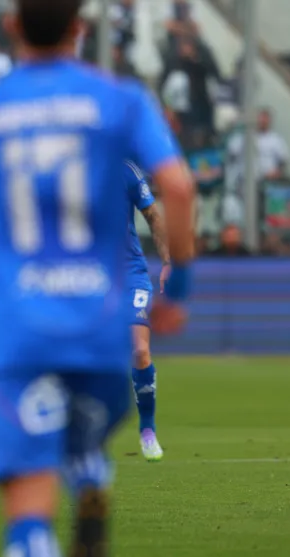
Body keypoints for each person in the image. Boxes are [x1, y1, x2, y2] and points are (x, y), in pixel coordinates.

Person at [0, 0, 196, 557]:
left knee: (27, 497)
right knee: (79, 435)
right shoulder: (119, 100)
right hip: (100, 321)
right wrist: (180, 287)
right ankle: (92, 471)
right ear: (80, 28)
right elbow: (179, 188)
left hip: (20, 328)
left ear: (12, 27)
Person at [124, 161, 171, 462]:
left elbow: (153, 216)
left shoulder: (126, 171)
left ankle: (147, 430)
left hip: (129, 273)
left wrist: (168, 261)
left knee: (140, 352)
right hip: (85, 275)